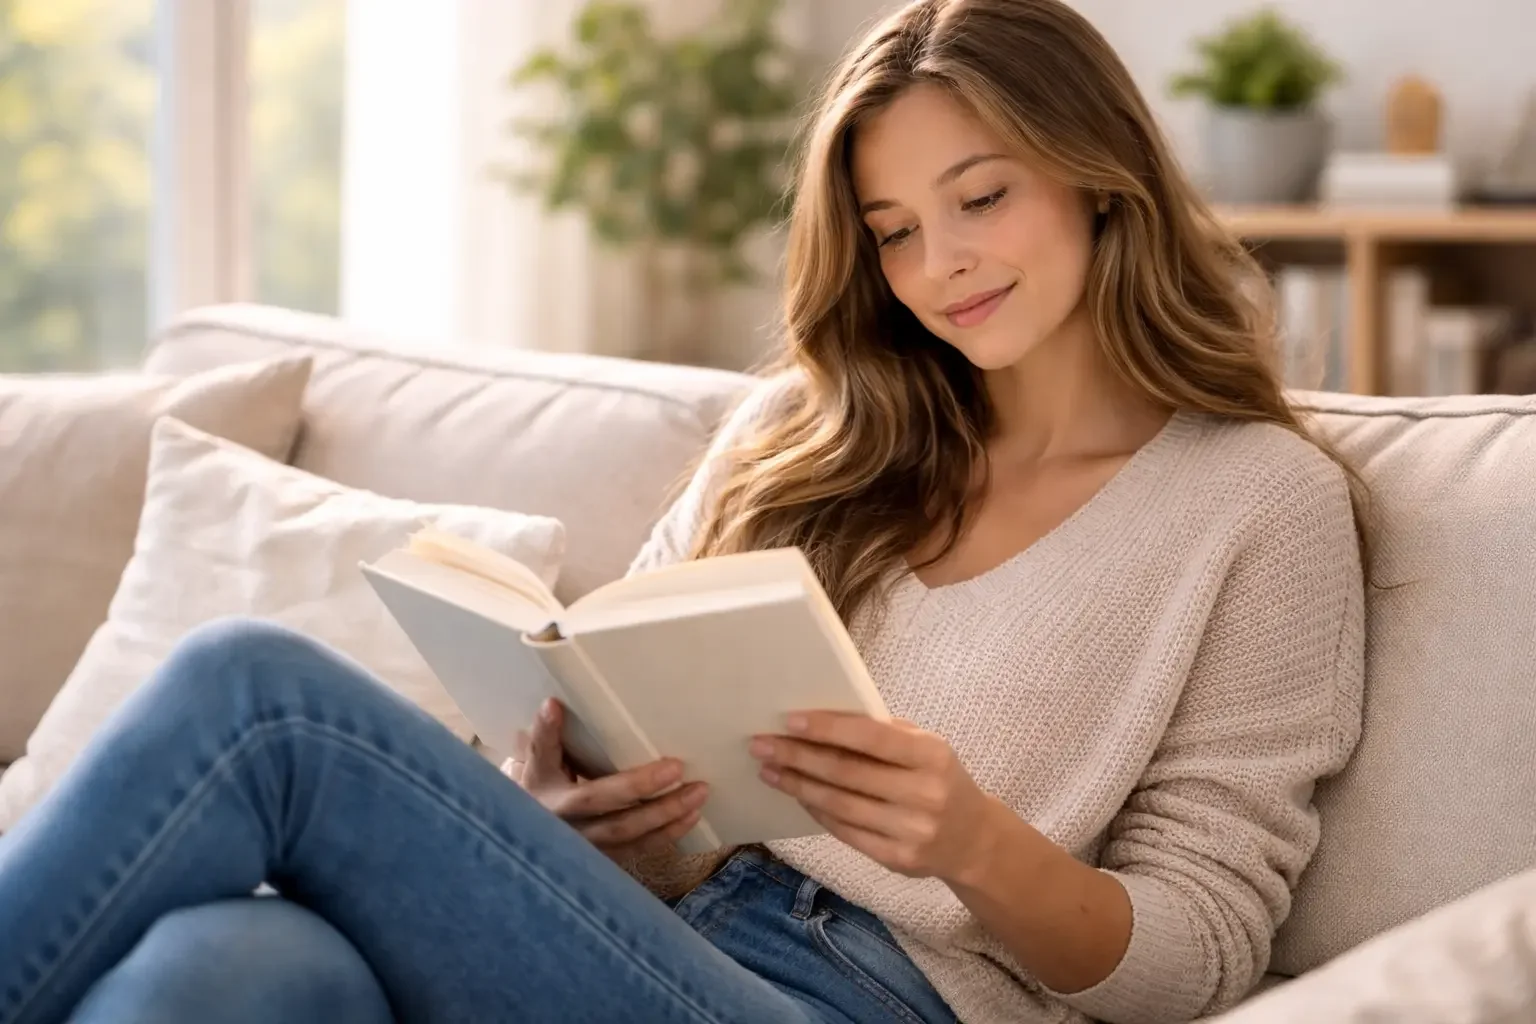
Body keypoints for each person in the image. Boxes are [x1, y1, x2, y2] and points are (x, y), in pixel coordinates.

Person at [0, 0, 1367, 1021]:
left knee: (262, 695)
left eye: (981, 197)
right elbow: (604, 692)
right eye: (891, 230)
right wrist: (556, 802)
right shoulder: (797, 435)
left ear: (1095, 172)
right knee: (226, 965)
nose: (939, 264)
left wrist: (975, 844)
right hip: (635, 930)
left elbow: (1204, 955)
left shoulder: (1259, 505)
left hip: (860, 998)